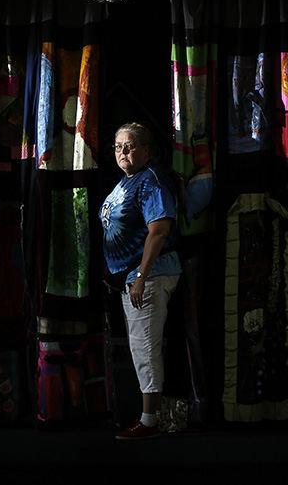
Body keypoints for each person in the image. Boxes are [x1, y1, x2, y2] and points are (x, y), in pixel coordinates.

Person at [99, 122, 182, 440]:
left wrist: (141, 278)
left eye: (130, 146)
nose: (122, 152)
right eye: (118, 146)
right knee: (139, 347)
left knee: (144, 347)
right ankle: (150, 417)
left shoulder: (152, 182)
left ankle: (150, 421)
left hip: (150, 275)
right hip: (131, 278)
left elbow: (159, 231)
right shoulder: (128, 181)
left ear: (147, 150)